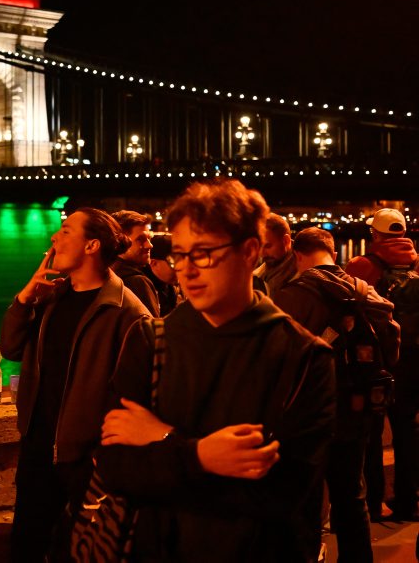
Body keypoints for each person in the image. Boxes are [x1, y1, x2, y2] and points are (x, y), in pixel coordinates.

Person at [96, 178, 336, 562]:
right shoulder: (150, 340)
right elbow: (115, 468)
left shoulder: (303, 356)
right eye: (179, 255)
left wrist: (165, 441)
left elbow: (281, 495)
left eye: (203, 253)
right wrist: (204, 457)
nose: (186, 271)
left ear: (250, 251)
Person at [0, 207, 151, 562]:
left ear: (91, 246)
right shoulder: (51, 298)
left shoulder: (128, 313)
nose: (55, 237)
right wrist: (24, 300)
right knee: (25, 548)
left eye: (66, 230)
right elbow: (10, 348)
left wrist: (101, 457)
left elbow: (137, 398)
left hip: (86, 464)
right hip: (38, 451)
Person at [272, 227, 400, 562]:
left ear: (298, 255)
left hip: (307, 413)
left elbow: (275, 358)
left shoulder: (292, 296)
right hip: (356, 408)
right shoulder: (362, 290)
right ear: (331, 251)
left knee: (308, 497)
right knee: (351, 493)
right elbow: (391, 345)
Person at [346, 207, 419, 522]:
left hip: (374, 362)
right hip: (412, 360)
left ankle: (372, 504)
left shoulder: (361, 266)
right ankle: (408, 502)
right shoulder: (417, 264)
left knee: (370, 434)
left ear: (375, 234)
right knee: (407, 431)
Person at [111, 209, 161, 316]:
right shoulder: (137, 283)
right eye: (140, 239)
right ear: (119, 242)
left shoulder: (106, 275)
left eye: (149, 238)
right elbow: (152, 325)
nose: (149, 245)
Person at [253, 212, 298, 296]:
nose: (262, 254)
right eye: (259, 247)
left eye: (268, 246)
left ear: (286, 241)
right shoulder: (258, 276)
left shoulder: (303, 278)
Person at [149, 231, 183, 316]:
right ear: (154, 263)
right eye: (173, 263)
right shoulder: (142, 288)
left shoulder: (169, 288)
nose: (179, 269)